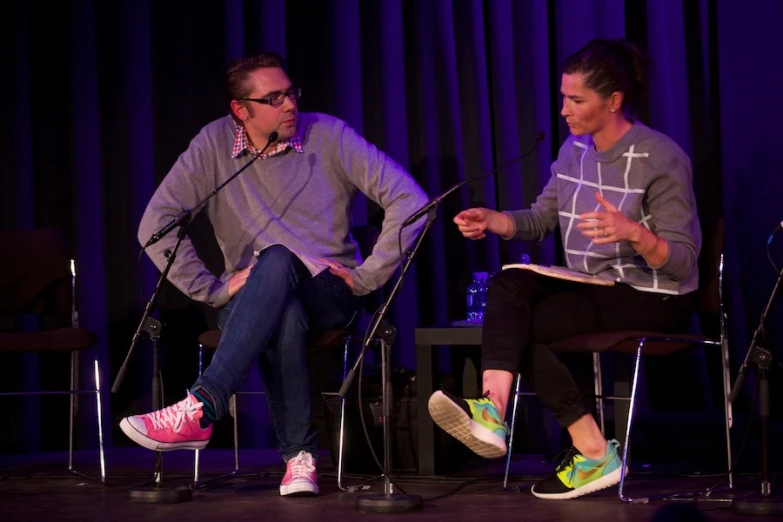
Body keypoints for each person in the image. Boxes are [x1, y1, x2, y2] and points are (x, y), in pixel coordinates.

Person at [120, 52, 428, 497]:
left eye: (291, 93)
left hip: (329, 290)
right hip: (254, 299)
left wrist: (368, 276)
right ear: (240, 110)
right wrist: (212, 289)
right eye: (273, 98)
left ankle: (202, 405)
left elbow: (411, 201)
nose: (289, 106)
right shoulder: (213, 146)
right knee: (281, 303)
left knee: (279, 258)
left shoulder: (328, 134)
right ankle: (300, 460)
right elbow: (156, 225)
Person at [428, 39, 701, 500]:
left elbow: (682, 260)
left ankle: (589, 450)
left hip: (658, 295)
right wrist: (495, 221)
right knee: (509, 285)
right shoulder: (574, 150)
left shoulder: (661, 156)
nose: (564, 110)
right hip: (596, 288)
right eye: (563, 98)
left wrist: (634, 233)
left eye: (576, 100)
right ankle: (498, 411)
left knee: (518, 324)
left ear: (613, 101)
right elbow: (542, 218)